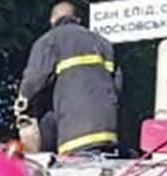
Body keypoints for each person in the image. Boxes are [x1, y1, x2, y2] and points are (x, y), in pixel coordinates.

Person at [17, 2, 122, 156]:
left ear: (52, 21)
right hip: (108, 134)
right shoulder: (104, 43)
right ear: (78, 19)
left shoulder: (49, 40)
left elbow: (35, 80)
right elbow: (117, 88)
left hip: (74, 136)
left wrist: (22, 103)